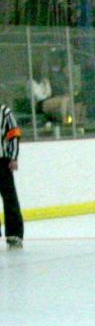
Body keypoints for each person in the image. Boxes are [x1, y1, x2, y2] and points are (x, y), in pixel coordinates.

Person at [1, 101, 23, 249]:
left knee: (9, 198)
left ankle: (14, 235)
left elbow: (14, 133)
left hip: (1, 162)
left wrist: (13, 156)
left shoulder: (4, 112)